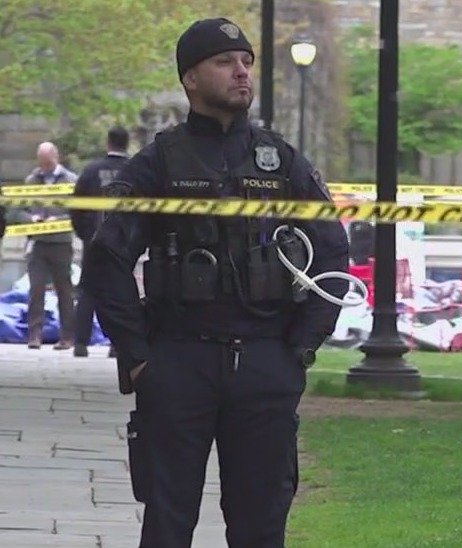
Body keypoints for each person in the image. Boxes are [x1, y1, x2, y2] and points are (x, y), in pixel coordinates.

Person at [79, 18, 350, 548]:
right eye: (225, 62)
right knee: (167, 520)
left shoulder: (280, 161)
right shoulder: (160, 161)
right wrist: (137, 353)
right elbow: (107, 259)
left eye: (246, 61)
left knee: (261, 523)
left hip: (266, 360)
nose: (241, 72)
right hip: (179, 361)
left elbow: (332, 251)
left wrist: (301, 346)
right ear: (191, 79)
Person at [7, 142, 77, 349]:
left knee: (64, 290)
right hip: (38, 244)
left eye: (48, 162)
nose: (45, 166)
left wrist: (60, 220)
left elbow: (79, 212)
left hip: (61, 243)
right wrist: (31, 219)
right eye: (42, 162)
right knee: (36, 290)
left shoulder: (71, 181)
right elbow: (17, 211)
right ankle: (34, 335)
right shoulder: (31, 180)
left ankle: (67, 336)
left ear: (56, 158)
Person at [71, 126, 130, 358]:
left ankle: (80, 343)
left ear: (108, 143)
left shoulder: (92, 170)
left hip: (94, 238)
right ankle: (117, 345)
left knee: (88, 289)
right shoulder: (134, 169)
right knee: (121, 291)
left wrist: (83, 232)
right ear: (126, 143)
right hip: (125, 240)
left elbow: (77, 205)